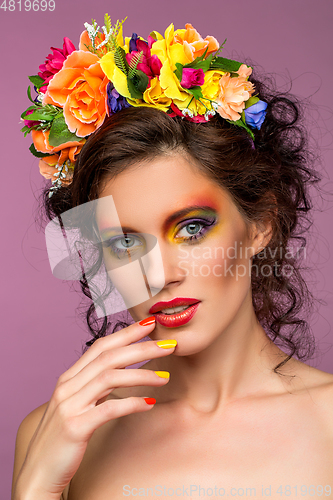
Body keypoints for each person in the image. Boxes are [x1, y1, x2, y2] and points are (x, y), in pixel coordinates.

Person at [12, 16, 333, 500]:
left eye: (191, 228)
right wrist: (36, 487)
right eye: (124, 243)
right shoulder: (56, 435)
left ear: (261, 222)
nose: (158, 275)